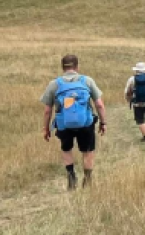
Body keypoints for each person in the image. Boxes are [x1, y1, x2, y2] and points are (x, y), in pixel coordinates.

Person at [41, 54, 107, 191]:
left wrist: (46, 128)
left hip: (64, 124)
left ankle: (71, 177)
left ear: (62, 67)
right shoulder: (87, 81)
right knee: (88, 150)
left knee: (66, 149)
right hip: (86, 123)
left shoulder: (54, 84)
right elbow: (99, 104)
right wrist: (103, 122)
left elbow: (47, 110)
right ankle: (87, 179)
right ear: (77, 67)